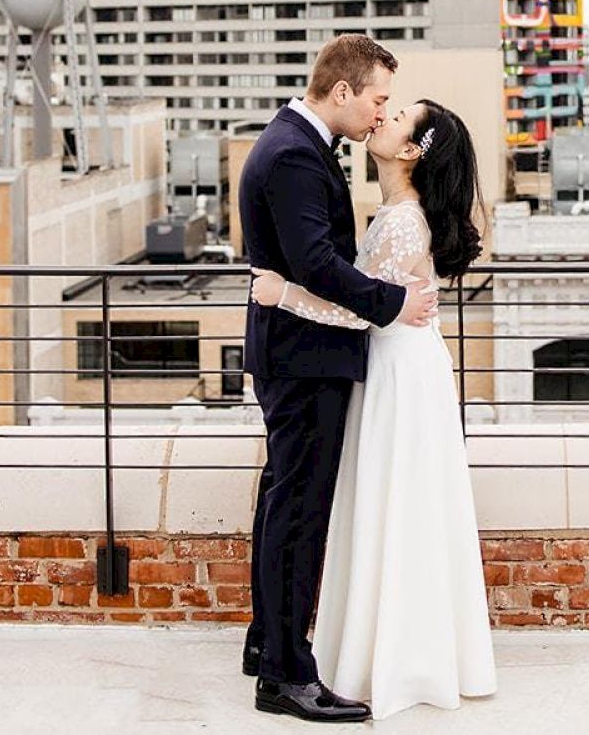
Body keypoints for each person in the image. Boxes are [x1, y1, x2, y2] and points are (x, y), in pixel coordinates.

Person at [251, 97, 498, 720]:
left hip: (396, 369)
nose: (382, 118)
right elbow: (370, 296)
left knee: (394, 507)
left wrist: (282, 294)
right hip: (400, 363)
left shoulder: (400, 222)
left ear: (413, 151)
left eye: (397, 118)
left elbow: (356, 306)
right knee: (397, 506)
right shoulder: (395, 213)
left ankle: (387, 654)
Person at [238, 35, 440, 723]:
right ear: (344, 90)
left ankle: (268, 642)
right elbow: (317, 264)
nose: (379, 111)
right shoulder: (296, 152)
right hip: (305, 357)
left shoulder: (294, 142)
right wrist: (393, 304)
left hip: (297, 353)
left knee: (282, 504)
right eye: (378, 98)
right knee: (298, 516)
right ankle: (285, 676)